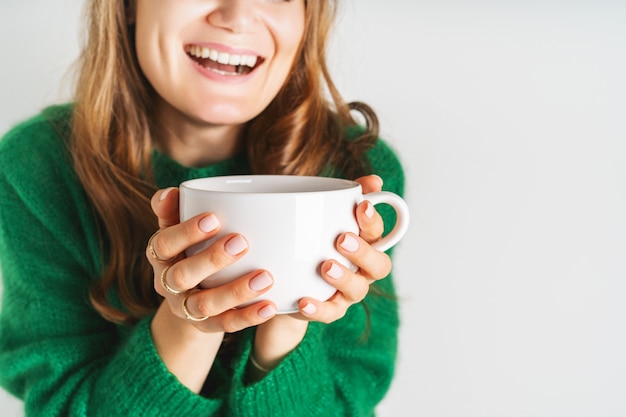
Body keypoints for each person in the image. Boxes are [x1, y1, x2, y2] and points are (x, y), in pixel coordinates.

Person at [0, 1, 405, 416]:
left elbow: (346, 401)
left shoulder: (357, 171)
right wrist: (190, 323)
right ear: (127, 7)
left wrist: (293, 312)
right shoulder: (38, 169)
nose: (238, 16)